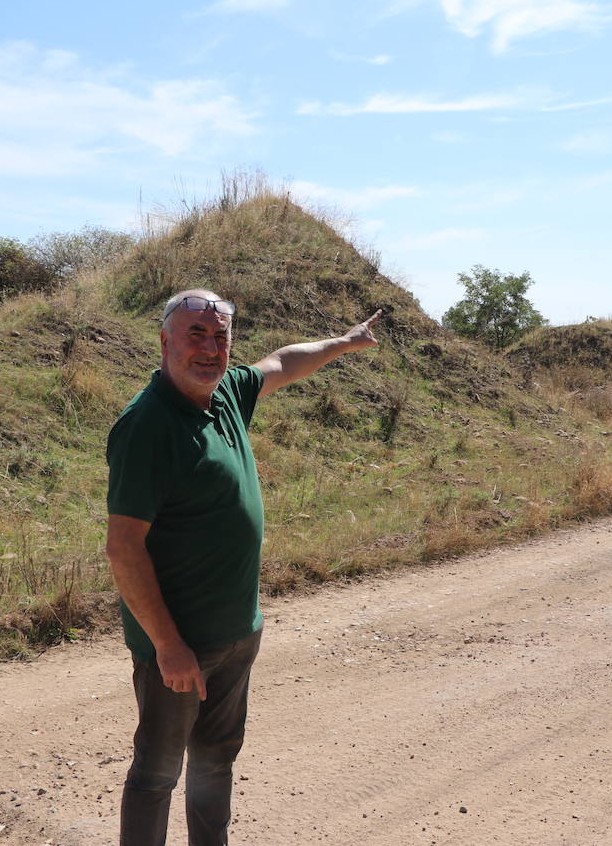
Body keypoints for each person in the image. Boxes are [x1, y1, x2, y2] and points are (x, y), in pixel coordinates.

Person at [106, 288, 382, 845]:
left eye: (221, 336)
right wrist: (167, 644)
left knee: (215, 762)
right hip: (181, 645)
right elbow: (123, 549)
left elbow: (283, 361)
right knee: (157, 774)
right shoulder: (146, 427)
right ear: (165, 341)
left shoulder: (227, 392)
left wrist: (345, 343)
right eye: (196, 335)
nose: (210, 348)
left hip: (237, 632)